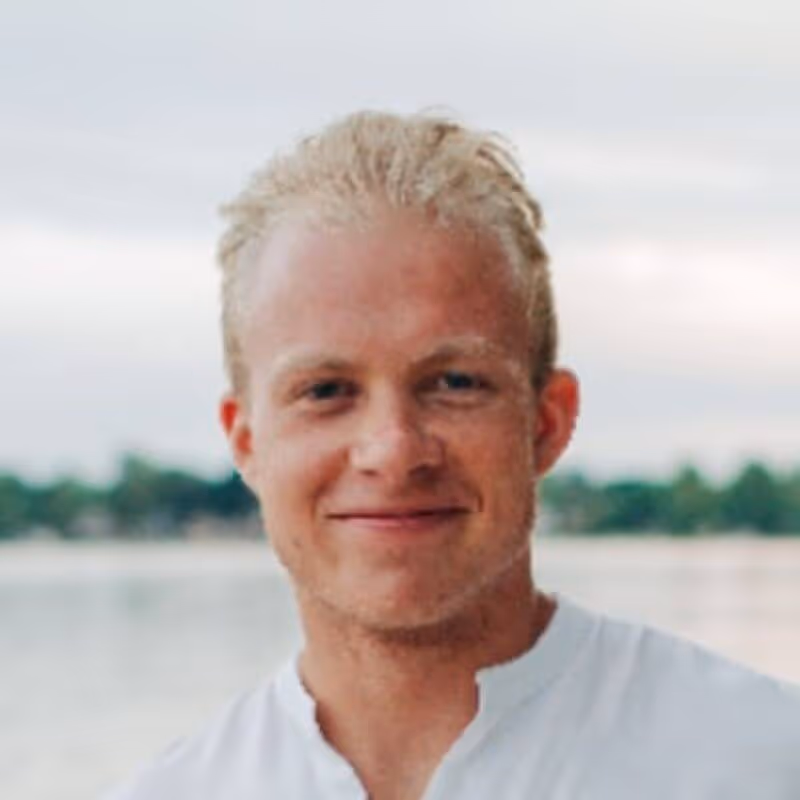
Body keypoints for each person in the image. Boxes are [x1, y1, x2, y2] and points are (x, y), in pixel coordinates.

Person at [106, 111, 800, 800]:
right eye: (326, 390)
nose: (394, 450)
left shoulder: (762, 758)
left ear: (546, 423)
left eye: (454, 382)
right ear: (247, 441)